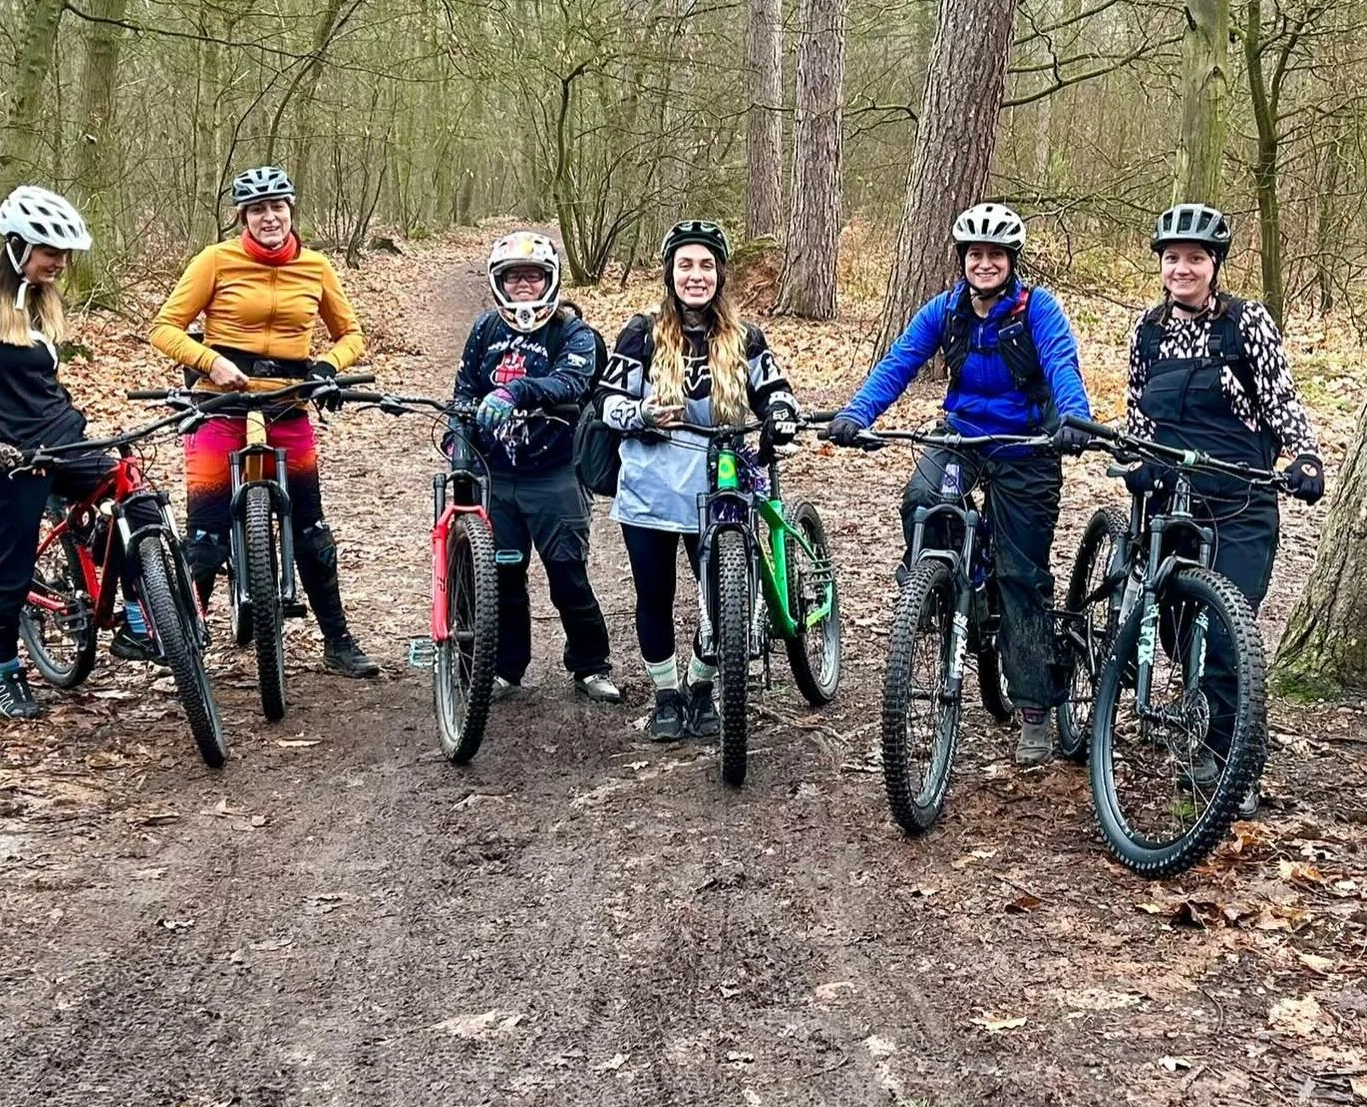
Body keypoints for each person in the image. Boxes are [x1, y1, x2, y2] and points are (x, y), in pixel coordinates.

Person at [826, 203, 1092, 769]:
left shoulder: (1037, 309)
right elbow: (898, 364)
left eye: (996, 255)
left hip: (1028, 447)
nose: (985, 263)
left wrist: (1073, 417)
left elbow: (1063, 365)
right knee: (923, 496)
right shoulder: (945, 311)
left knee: (1022, 577)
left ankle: (1034, 710)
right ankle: (936, 581)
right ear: (962, 260)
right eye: (976, 254)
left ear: (1011, 261)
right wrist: (857, 414)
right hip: (963, 436)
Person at [1125, 203, 1325, 814]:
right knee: (1183, 629)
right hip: (1169, 494)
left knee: (1230, 634)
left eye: (1195, 259)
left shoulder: (1247, 323)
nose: (1182, 268)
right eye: (1172, 258)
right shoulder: (1148, 330)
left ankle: (1234, 766)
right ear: (1161, 264)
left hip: (1239, 495)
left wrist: (1305, 457)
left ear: (1214, 265)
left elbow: (1282, 401)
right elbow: (1137, 407)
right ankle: (1205, 738)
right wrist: (1133, 455)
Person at [149, 165, 379, 678]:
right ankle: (188, 647)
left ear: (291, 211)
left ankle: (337, 640)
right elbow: (164, 328)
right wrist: (210, 361)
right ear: (242, 218)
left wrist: (326, 368)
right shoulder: (215, 260)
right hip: (219, 404)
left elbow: (353, 334)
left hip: (288, 402)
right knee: (204, 537)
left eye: (277, 207)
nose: (268, 217)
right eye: (257, 209)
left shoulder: (316, 267)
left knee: (312, 530)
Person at [0, 187, 153, 720]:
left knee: (137, 503)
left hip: (63, 438)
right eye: (50, 251)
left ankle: (138, 621)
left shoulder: (42, 300)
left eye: (65, 253)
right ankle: (6, 675)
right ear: (16, 245)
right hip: (4, 452)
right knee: (12, 571)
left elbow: (43, 381)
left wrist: (81, 428)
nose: (60, 263)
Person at [599, 220, 799, 742]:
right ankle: (666, 694)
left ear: (720, 274)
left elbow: (776, 390)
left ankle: (702, 684)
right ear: (669, 273)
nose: (696, 275)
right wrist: (641, 412)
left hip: (720, 484)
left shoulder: (746, 337)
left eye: (706, 265)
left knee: (721, 596)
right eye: (686, 264)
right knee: (654, 594)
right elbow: (607, 402)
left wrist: (779, 414)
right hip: (652, 487)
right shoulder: (640, 333)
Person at [451, 229, 619, 704]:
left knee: (567, 574)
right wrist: (458, 429)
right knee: (504, 575)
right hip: (497, 474)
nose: (523, 288)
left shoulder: (574, 333)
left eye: (532, 278)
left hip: (556, 474)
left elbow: (572, 380)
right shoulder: (485, 330)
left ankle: (590, 664)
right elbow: (464, 388)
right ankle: (507, 667)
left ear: (550, 281)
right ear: (498, 284)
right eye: (513, 279)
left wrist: (515, 391)